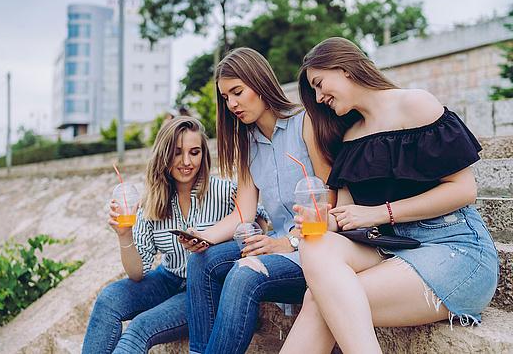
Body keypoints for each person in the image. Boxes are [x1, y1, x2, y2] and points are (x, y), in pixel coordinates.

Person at [280, 37, 499, 354]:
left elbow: (465, 190)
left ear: (344, 69)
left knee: (320, 299)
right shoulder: (351, 136)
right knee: (316, 245)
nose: (317, 96)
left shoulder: (415, 104)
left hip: (455, 249)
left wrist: (381, 213)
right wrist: (322, 222)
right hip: (393, 250)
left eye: (318, 83)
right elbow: (346, 217)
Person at [183, 47, 351, 354]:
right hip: (278, 243)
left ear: (260, 84)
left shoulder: (306, 123)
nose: (232, 103)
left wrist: (289, 242)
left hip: (318, 246)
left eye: (237, 91)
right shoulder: (247, 144)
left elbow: (331, 204)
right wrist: (202, 236)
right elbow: (244, 212)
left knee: (244, 274)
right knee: (202, 261)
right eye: (225, 97)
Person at [81, 116, 267, 354]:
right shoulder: (151, 201)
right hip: (166, 278)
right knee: (109, 298)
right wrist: (124, 235)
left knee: (139, 328)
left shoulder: (225, 191)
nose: (187, 161)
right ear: (164, 154)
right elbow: (137, 273)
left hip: (202, 291)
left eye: (195, 152)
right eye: (177, 152)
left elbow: (258, 220)